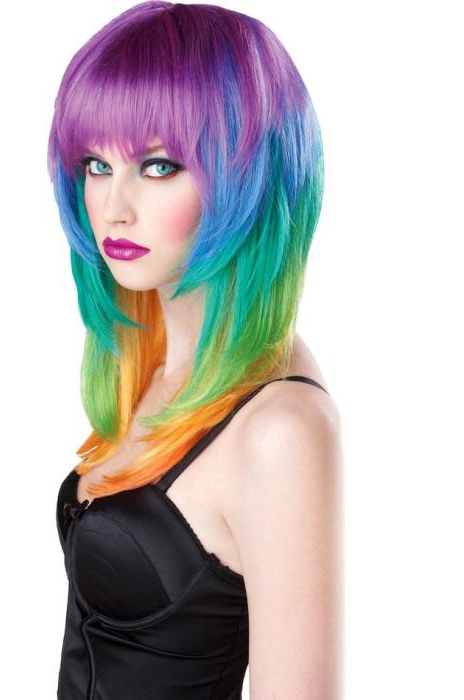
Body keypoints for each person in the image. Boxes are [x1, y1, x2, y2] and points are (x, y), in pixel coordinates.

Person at [48, 2, 342, 698]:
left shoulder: (280, 429)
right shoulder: (146, 360)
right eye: (96, 164)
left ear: (248, 176)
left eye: (157, 166)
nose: (113, 207)